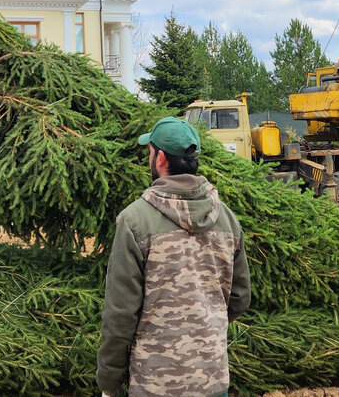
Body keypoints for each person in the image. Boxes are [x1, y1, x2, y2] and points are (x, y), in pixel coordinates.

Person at [96, 116, 251, 397]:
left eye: (150, 151)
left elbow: (121, 314)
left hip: (154, 385)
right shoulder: (227, 218)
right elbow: (240, 298)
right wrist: (205, 323)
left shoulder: (134, 221)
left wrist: (109, 381)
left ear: (161, 158)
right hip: (213, 381)